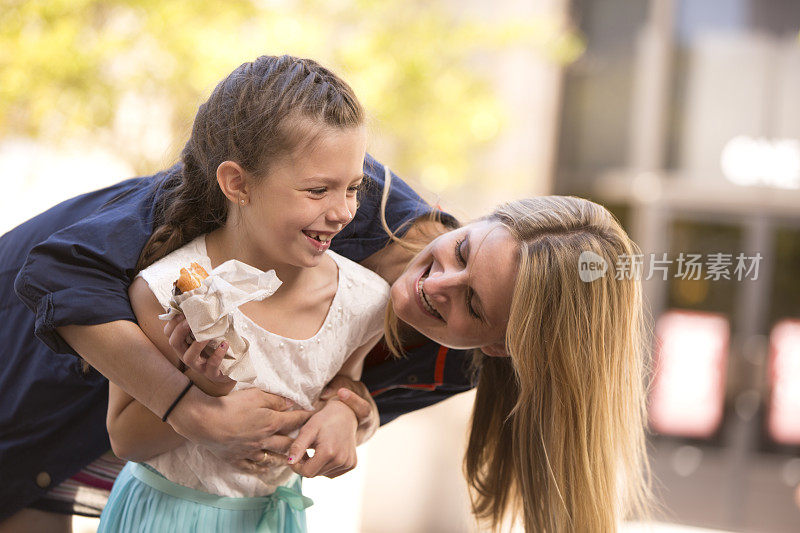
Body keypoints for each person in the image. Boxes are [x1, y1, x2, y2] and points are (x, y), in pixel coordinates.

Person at [0, 57, 651, 532]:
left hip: (150, 475)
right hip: (36, 387)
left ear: (499, 347)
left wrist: (352, 412)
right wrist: (190, 407)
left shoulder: (451, 365)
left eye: (473, 306)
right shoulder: (338, 190)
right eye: (461, 250)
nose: (436, 282)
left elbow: (316, 387)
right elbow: (59, 272)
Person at [92, 54, 391, 531]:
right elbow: (126, 439)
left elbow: (343, 390)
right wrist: (204, 389)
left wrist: (344, 415)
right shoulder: (165, 289)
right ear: (237, 184)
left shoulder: (364, 302)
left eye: (353, 188)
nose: (343, 212)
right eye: (318, 190)